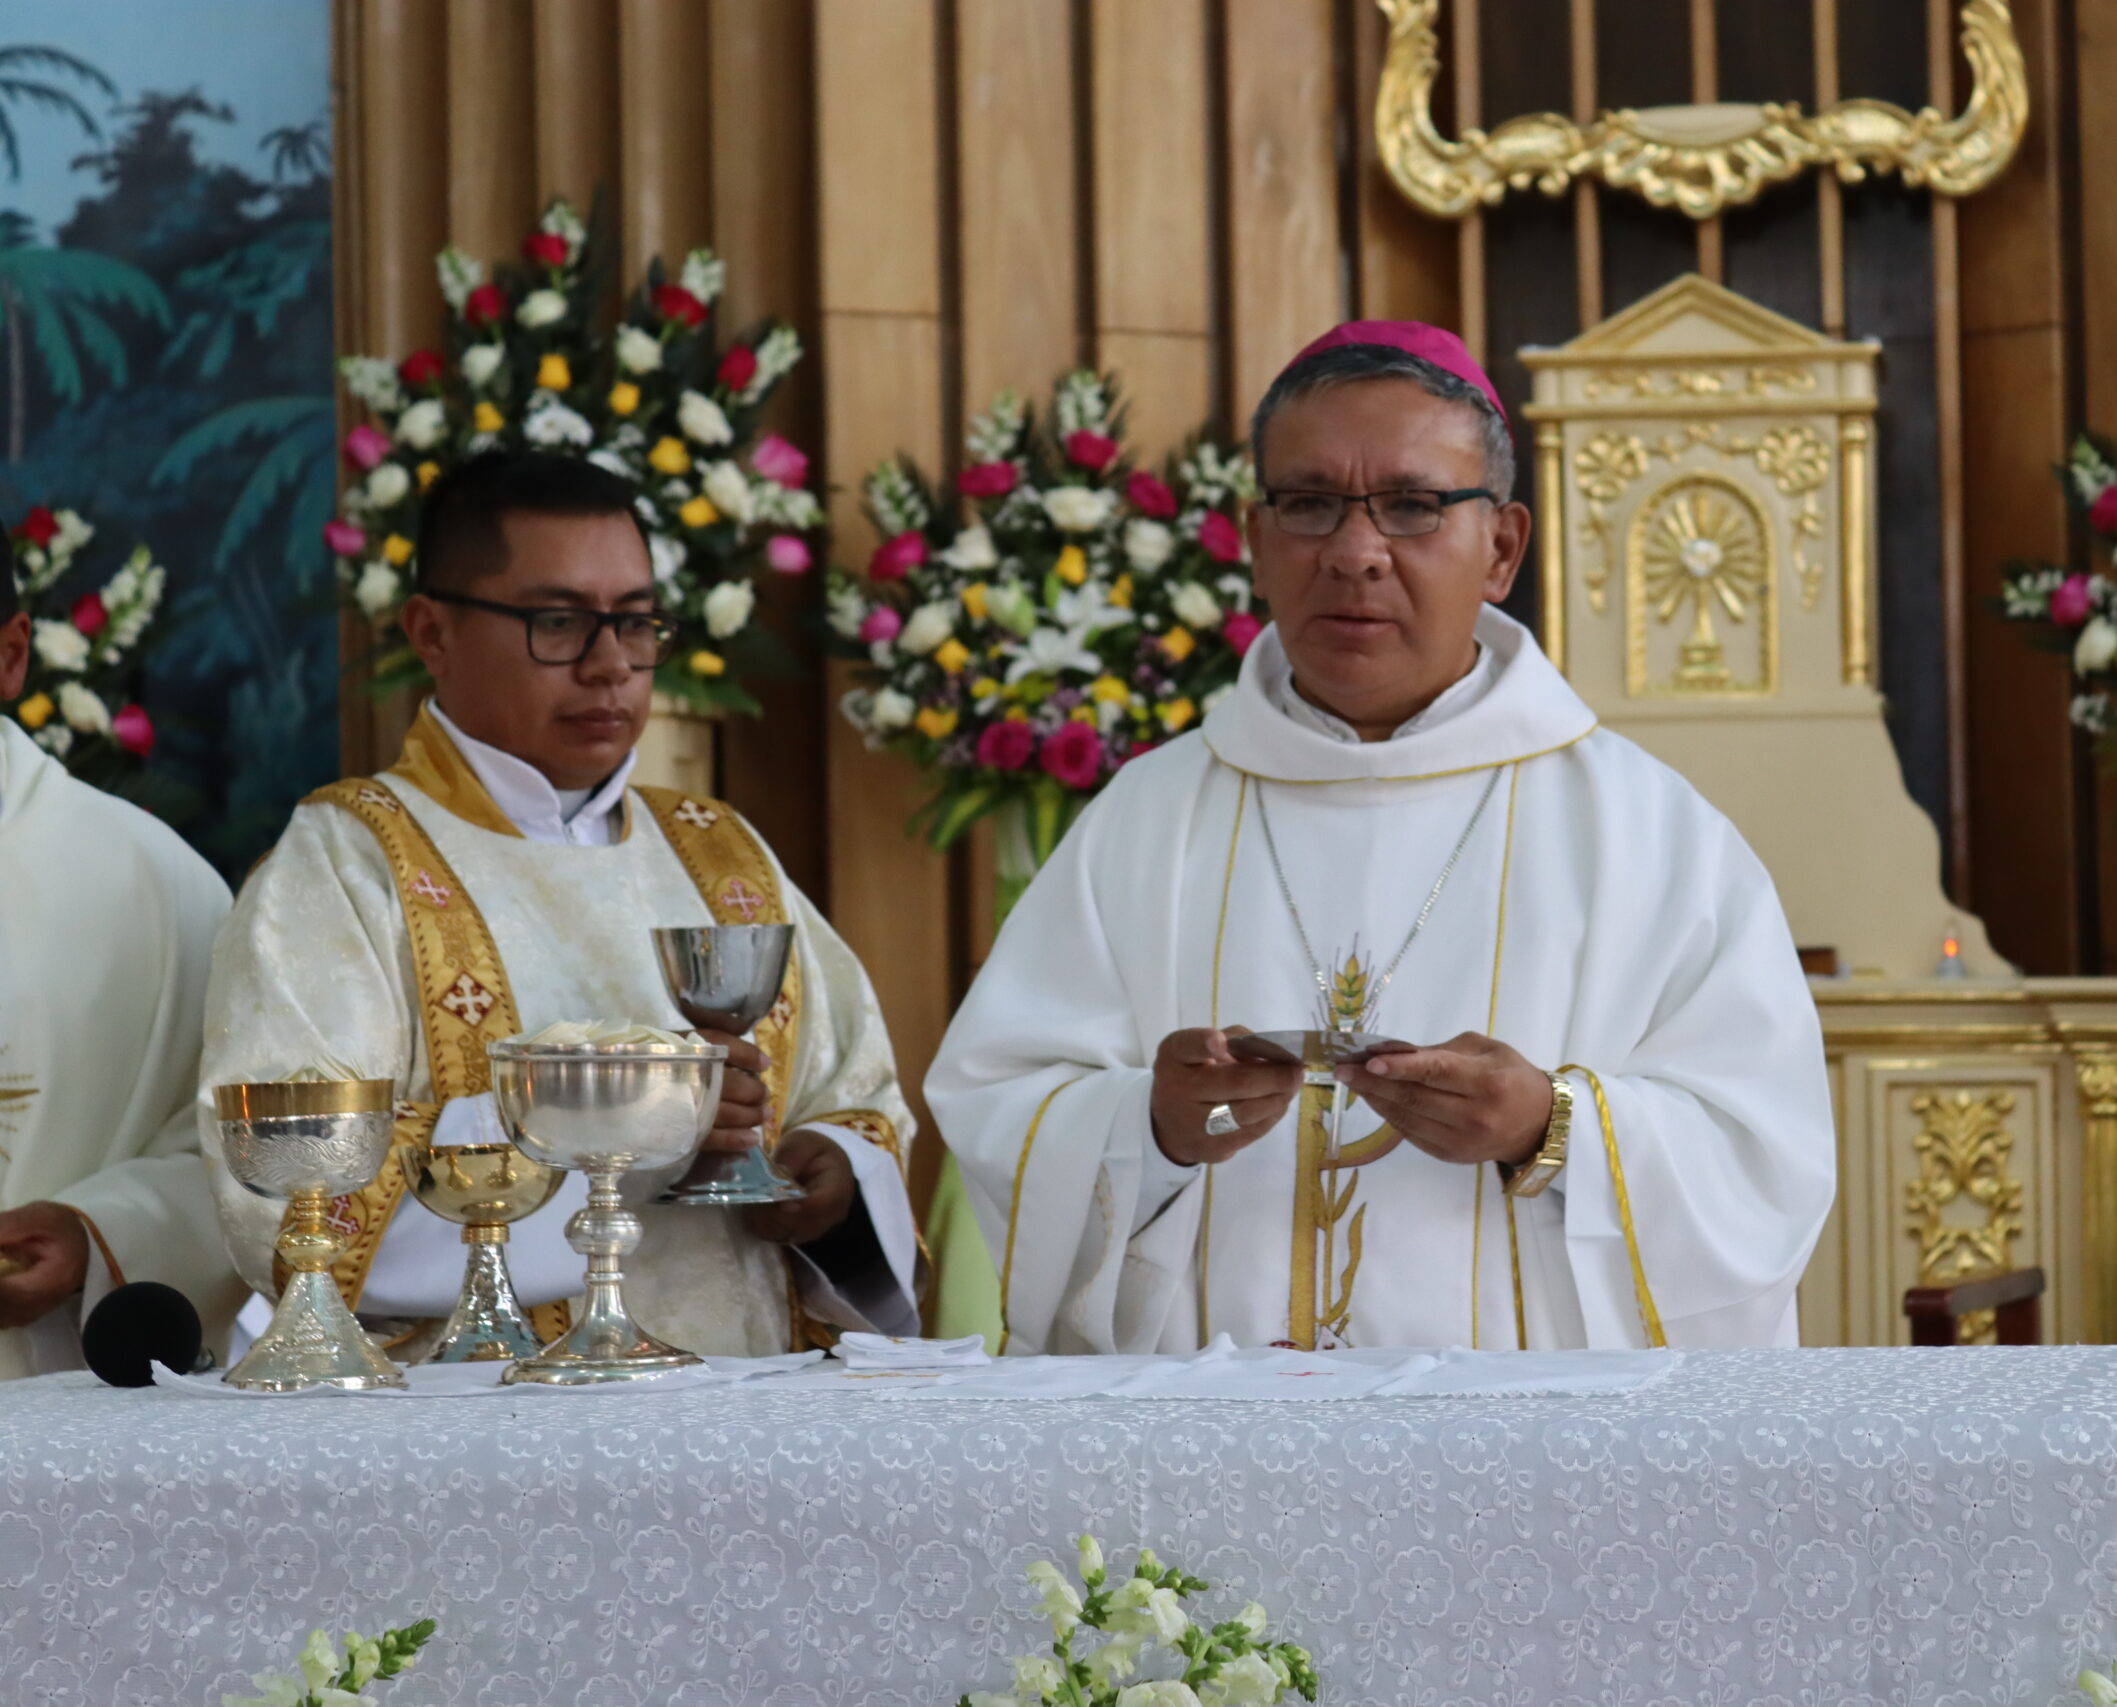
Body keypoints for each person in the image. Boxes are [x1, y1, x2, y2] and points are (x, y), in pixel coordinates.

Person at [928, 321, 1835, 1353]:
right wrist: (1154, 1126)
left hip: (1529, 1463)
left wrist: (1549, 1127)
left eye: (1411, 507)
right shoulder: (1146, 821)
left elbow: (1764, 1159)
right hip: (1211, 1456)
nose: (1355, 554)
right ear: (1254, 541)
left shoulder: (1650, 835)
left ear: (1500, 549)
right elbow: (1003, 1105)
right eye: (1309, 506)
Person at [201, 451, 916, 1357]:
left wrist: (837, 1185)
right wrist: (646, 1139)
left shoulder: (720, 853)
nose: (610, 664)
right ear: (432, 633)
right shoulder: (347, 865)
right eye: (558, 622)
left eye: (635, 622)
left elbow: (858, 1095)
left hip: (754, 1424)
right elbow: (299, 1201)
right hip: (492, 1442)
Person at [0, 551, 240, 1377]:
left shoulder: (158, 888)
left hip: (51, 1435)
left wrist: (96, 1232)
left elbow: (241, 1160)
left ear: (10, 654)